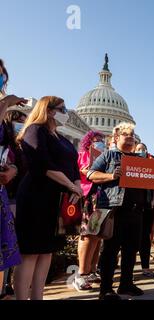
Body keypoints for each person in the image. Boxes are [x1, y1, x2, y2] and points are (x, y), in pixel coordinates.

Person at [14, 96, 83, 300]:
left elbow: (74, 166)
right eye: (62, 108)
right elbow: (42, 164)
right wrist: (71, 185)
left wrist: (77, 185)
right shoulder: (35, 129)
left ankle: (38, 297)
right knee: (31, 252)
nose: (66, 112)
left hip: (56, 199)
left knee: (46, 252)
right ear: (49, 110)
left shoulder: (61, 139)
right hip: (37, 196)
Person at [88, 123, 147, 300]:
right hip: (114, 208)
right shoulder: (108, 155)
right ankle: (106, 288)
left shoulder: (141, 159)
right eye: (125, 134)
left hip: (136, 209)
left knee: (131, 249)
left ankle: (126, 284)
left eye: (132, 134)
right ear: (117, 138)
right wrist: (111, 176)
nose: (130, 137)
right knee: (110, 250)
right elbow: (91, 174)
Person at [73, 130, 106, 291]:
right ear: (88, 141)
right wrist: (86, 171)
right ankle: (81, 274)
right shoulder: (83, 154)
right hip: (90, 195)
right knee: (87, 235)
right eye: (96, 139)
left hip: (103, 196)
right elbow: (78, 172)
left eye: (101, 140)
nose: (99, 142)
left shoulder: (105, 156)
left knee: (96, 236)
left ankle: (92, 269)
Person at [0, 108, 27, 299]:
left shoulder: (22, 146)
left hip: (18, 197)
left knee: (11, 243)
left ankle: (6, 286)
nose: (22, 124)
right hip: (7, 197)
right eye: (18, 120)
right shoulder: (6, 144)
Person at [135, 142, 154, 278]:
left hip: (147, 205)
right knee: (131, 239)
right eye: (138, 149)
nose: (141, 151)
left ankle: (145, 267)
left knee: (145, 238)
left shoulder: (151, 163)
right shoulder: (130, 162)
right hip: (133, 206)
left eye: (143, 149)